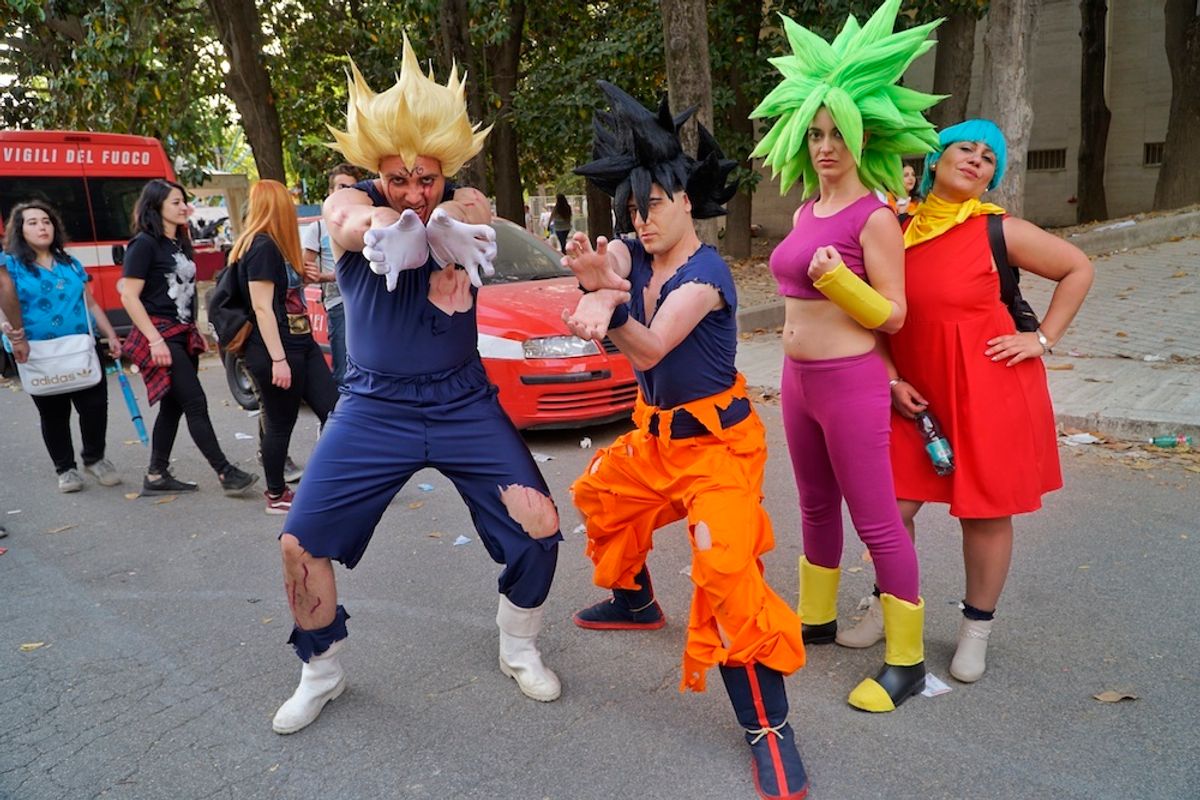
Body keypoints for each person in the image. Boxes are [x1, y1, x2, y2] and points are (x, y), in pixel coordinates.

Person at [270, 38, 562, 736]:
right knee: (298, 544)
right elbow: (349, 220)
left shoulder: (458, 203)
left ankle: (518, 644)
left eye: (425, 179)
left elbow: (475, 207)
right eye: (398, 179)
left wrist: (453, 223)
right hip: (374, 407)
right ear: (379, 170)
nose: (413, 191)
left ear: (443, 169)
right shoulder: (353, 201)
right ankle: (321, 671)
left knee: (541, 527)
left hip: (463, 401)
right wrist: (389, 228)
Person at [564, 81, 809, 800]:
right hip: (655, 443)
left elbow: (650, 347)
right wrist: (601, 283)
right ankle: (637, 604)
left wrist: (609, 309)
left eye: (654, 204)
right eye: (632, 208)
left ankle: (769, 728)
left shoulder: (706, 275)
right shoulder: (635, 251)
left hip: (717, 452)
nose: (641, 220)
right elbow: (611, 267)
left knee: (727, 574)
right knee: (600, 498)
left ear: (685, 199)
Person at [749, 0, 942, 712]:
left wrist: (841, 282)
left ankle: (906, 662)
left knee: (877, 518)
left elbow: (895, 313)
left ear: (866, 135)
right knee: (813, 503)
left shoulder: (875, 216)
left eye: (839, 133)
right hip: (798, 380)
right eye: (817, 133)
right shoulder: (807, 209)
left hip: (851, 381)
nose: (826, 146)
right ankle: (816, 619)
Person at [880, 119, 1093, 683]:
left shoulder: (999, 229)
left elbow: (1077, 268)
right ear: (935, 159)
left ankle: (975, 630)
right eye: (965, 148)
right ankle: (888, 608)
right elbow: (872, 314)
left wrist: (1041, 339)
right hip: (913, 393)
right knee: (890, 508)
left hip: (989, 388)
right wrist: (890, 379)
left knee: (985, 513)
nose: (977, 159)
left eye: (989, 157)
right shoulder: (893, 227)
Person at [119, 179, 260, 497]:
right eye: (176, 202)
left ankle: (156, 474)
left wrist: (194, 329)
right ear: (156, 207)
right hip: (161, 334)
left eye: (184, 201)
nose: (184, 207)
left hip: (181, 334)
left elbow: (186, 293)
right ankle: (226, 472)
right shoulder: (144, 244)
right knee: (195, 402)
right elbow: (129, 296)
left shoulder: (179, 243)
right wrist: (155, 340)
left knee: (173, 406)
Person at [232, 180, 340, 515]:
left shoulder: (275, 245)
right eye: (287, 205)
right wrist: (278, 360)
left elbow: (282, 294)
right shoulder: (261, 245)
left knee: (334, 410)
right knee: (280, 422)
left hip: (300, 340)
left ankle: (336, 480)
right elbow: (262, 307)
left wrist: (302, 275)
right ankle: (276, 494)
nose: (292, 212)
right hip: (277, 347)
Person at [0, 202, 123, 492]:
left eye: (46, 221)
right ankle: (66, 469)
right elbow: (3, 300)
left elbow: (90, 302)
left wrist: (111, 335)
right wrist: (10, 330)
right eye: (32, 222)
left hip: (82, 346)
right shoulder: (10, 265)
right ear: (19, 230)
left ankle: (95, 458)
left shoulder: (70, 263)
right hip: (36, 350)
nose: (42, 227)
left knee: (94, 406)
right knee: (53, 412)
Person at [302, 163, 360, 386]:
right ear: (330, 192)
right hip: (339, 305)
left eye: (352, 188)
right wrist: (326, 277)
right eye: (342, 187)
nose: (347, 193)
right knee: (345, 374)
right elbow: (306, 272)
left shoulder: (367, 224)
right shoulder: (318, 228)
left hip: (369, 303)